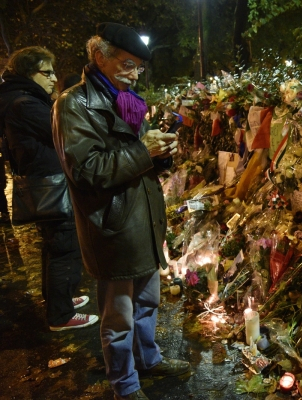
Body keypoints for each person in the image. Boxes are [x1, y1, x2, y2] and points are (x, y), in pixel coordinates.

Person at [52, 23, 189, 400]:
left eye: (139, 67)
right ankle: (125, 385)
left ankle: (149, 360)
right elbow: (86, 170)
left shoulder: (128, 101)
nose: (134, 74)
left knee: (148, 302)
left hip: (142, 220)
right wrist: (145, 151)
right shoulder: (74, 104)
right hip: (112, 224)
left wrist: (158, 157)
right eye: (127, 64)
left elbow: (132, 161)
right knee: (119, 316)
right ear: (100, 57)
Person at [0, 46, 98, 331]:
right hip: (51, 184)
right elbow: (63, 131)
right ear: (29, 73)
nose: (53, 77)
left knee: (54, 245)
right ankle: (61, 314)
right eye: (47, 72)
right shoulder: (24, 104)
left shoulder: (21, 99)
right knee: (64, 247)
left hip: (44, 182)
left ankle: (58, 298)